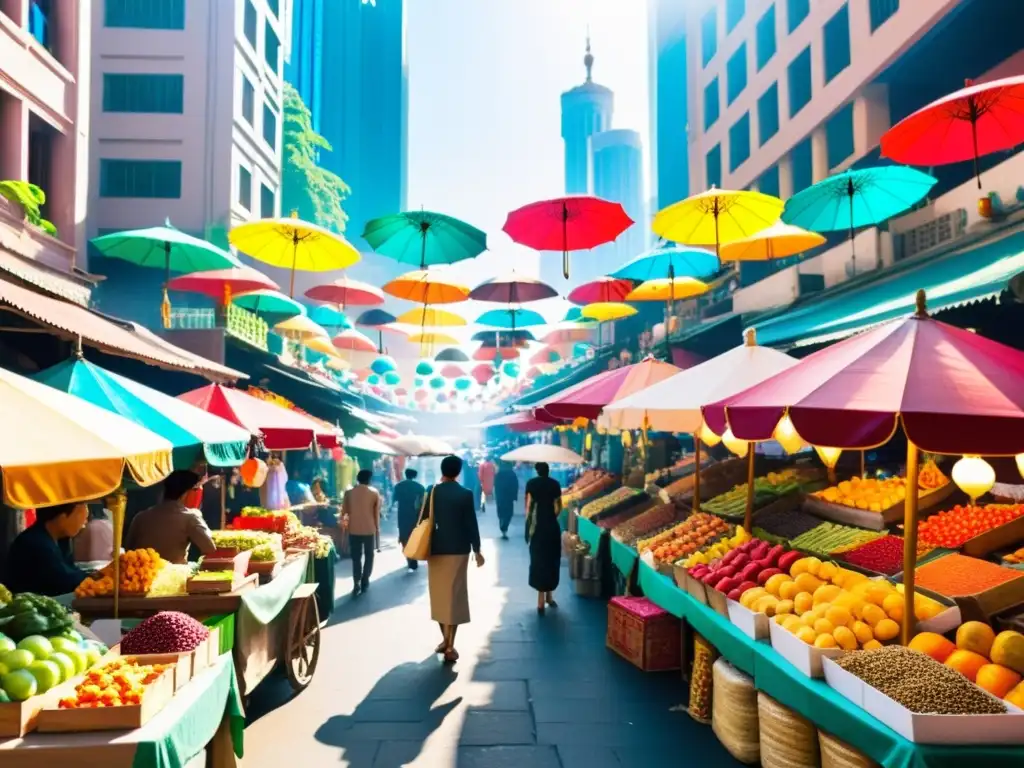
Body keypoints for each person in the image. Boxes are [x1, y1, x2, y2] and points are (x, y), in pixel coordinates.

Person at [426, 455, 483, 664]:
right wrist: (477, 549)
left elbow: (423, 518)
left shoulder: (432, 492)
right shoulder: (465, 494)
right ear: (458, 472)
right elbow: (471, 523)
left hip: (436, 549)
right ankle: (449, 643)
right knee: (455, 595)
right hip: (459, 549)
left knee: (440, 595)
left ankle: (446, 640)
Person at [126, 470, 217, 564]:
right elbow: (210, 548)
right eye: (196, 490)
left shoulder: (140, 516)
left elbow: (127, 550)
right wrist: (198, 516)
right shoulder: (190, 517)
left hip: (142, 575)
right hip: (175, 575)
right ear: (187, 493)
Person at [5, 502, 90, 596]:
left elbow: (72, 570)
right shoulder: (35, 542)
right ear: (62, 518)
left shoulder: (61, 540)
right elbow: (64, 580)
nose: (84, 524)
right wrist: (96, 577)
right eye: (83, 518)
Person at [525, 462, 564, 614]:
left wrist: (528, 530)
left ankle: (540, 600)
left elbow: (528, 508)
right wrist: (552, 517)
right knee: (552, 560)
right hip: (552, 527)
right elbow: (559, 506)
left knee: (538, 560)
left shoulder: (531, 484)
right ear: (548, 471)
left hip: (537, 528)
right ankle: (549, 596)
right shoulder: (555, 484)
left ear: (537, 471)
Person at [342, 469, 381, 596]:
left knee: (356, 557)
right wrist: (377, 529)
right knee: (369, 555)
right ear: (369, 479)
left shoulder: (349, 493)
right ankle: (365, 580)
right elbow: (376, 515)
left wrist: (345, 528)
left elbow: (344, 514)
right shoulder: (374, 493)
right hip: (369, 529)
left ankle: (356, 582)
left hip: (354, 529)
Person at [393, 468, 426, 571]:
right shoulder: (419, 487)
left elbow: (394, 500)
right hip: (415, 515)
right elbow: (423, 502)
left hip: (402, 514)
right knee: (414, 536)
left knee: (404, 536)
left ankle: (409, 558)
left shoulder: (398, 486)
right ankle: (413, 557)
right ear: (415, 476)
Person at [493, 461, 519, 540]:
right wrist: (514, 496)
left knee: (501, 512)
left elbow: (495, 485)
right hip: (509, 497)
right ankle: (505, 526)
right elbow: (515, 485)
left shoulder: (498, 474)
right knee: (509, 513)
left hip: (500, 497)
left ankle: (502, 525)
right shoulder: (512, 474)